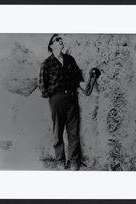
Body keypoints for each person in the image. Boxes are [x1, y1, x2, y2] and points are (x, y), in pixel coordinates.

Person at [39, 34, 86, 170]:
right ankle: (60, 160)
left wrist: (84, 85)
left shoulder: (70, 60)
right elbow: (43, 86)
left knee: (73, 131)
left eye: (61, 39)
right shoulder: (46, 64)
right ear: (52, 45)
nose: (61, 41)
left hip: (72, 99)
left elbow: (78, 78)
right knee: (57, 131)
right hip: (57, 100)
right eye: (57, 40)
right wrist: (54, 96)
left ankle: (74, 162)